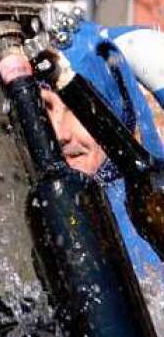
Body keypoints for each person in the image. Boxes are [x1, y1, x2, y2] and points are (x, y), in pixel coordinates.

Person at [40, 20, 164, 290]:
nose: (60, 133)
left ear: (119, 115)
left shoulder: (152, 205)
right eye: (45, 107)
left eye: (78, 107)